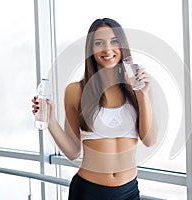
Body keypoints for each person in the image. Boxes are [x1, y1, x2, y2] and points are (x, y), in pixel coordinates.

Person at [32, 18, 157, 200]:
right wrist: (50, 120)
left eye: (114, 41)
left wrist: (143, 93)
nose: (108, 49)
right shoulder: (76, 91)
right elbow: (73, 151)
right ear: (91, 49)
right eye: (99, 43)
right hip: (89, 192)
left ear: (122, 45)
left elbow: (150, 139)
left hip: (129, 192)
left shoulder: (140, 88)